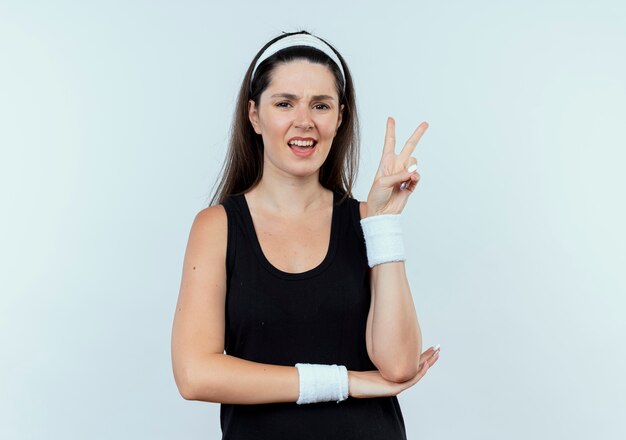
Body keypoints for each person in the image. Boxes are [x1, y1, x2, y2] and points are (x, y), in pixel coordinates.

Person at [171, 30, 440, 439]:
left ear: (340, 117)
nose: (304, 121)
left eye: (321, 105)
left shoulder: (368, 220)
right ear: (254, 115)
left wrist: (383, 223)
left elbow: (399, 366)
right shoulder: (218, 227)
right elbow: (195, 374)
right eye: (284, 103)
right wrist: (344, 382)